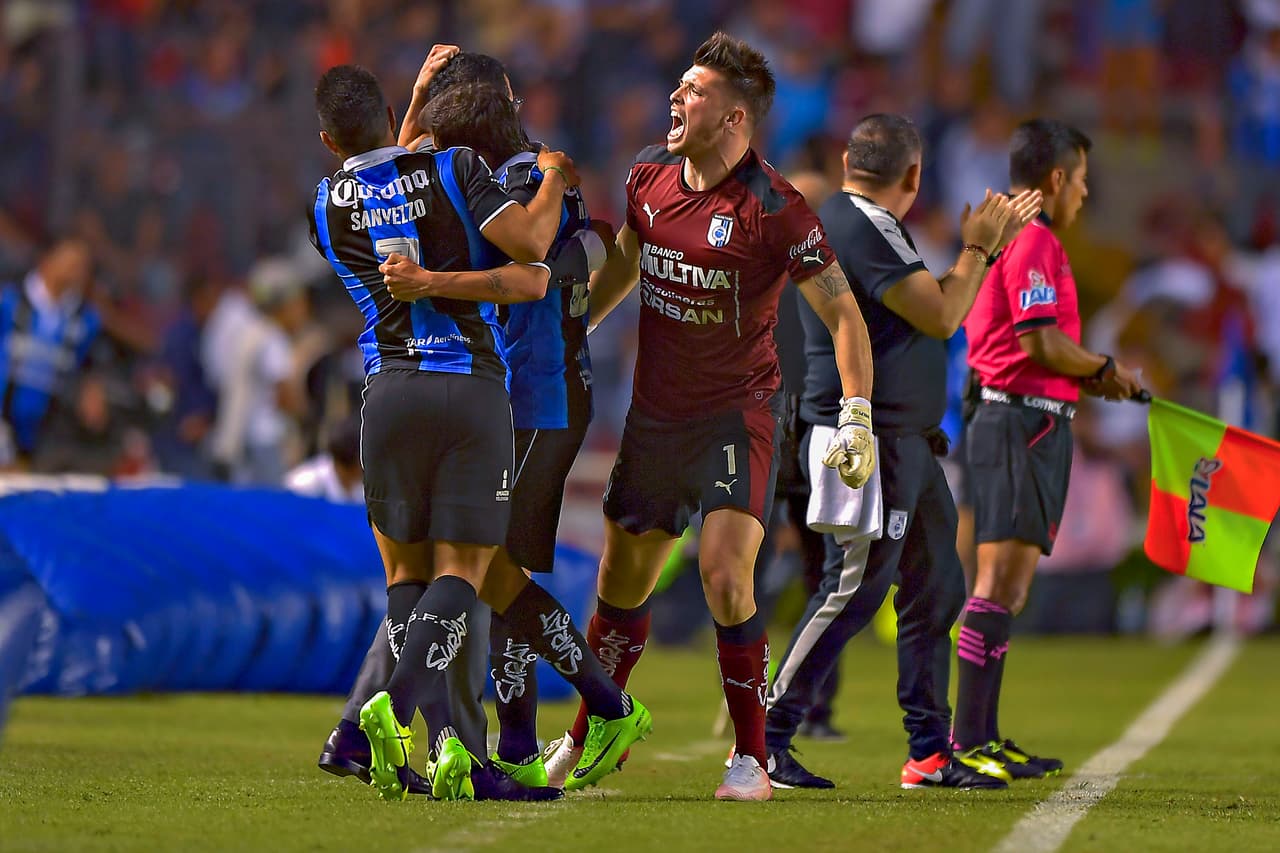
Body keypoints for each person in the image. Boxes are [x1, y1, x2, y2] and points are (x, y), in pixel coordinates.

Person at [546, 32, 876, 801]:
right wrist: (575, 330)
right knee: (618, 588)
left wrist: (856, 414)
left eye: (693, 92)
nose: (675, 99)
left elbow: (845, 315)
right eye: (680, 88)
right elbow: (628, 260)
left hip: (738, 414)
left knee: (726, 573)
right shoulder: (647, 176)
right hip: (655, 418)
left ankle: (751, 760)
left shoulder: (777, 209)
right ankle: (593, 733)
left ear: (733, 119)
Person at [310, 64, 649, 802]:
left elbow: (387, 180)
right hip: (473, 388)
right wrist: (556, 178)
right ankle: (434, 725)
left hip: (424, 392)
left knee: (436, 579)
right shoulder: (470, 172)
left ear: (328, 138)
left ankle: (454, 742)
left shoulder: (326, 203)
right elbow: (527, 262)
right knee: (473, 576)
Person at [760, 114, 1040, 792]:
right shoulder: (859, 222)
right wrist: (979, 250)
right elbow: (942, 315)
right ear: (913, 174)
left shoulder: (850, 218)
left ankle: (929, 750)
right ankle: (763, 736)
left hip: (902, 440)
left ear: (849, 157)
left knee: (934, 589)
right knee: (852, 589)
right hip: (868, 439)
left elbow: (911, 317)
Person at [953, 118, 1144, 779]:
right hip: (1016, 420)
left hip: (1027, 422)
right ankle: (966, 741)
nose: (1085, 194)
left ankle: (982, 736)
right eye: (1082, 180)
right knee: (998, 581)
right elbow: (1037, 339)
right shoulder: (1033, 240)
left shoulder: (1019, 237)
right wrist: (1101, 369)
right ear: (1056, 178)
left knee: (1009, 588)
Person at [0, 237, 100, 466]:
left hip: (50, 434)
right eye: (71, 261)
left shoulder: (87, 319)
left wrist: (92, 389)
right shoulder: (8, 301)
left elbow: (89, 367)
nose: (78, 270)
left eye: (84, 265)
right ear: (46, 260)